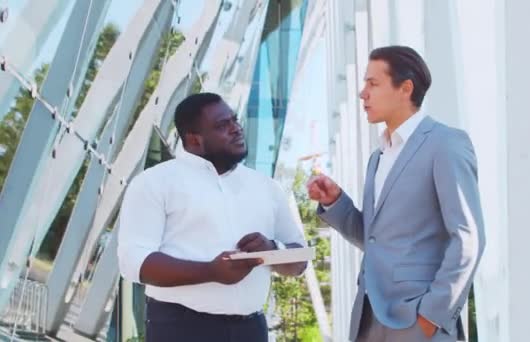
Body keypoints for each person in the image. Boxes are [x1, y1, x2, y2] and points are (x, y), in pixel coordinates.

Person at [307, 46, 485, 342]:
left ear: (405, 88)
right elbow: (377, 241)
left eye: (373, 84)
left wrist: (432, 317)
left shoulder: (446, 144)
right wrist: (336, 203)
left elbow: (469, 239)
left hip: (418, 320)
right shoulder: (378, 156)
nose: (363, 93)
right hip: (369, 318)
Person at [117, 92, 307, 342]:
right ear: (194, 140)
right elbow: (134, 262)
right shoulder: (154, 183)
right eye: (222, 125)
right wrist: (210, 272)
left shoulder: (267, 188)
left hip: (251, 331)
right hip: (180, 330)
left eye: (234, 120)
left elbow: (300, 259)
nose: (236, 129)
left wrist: (271, 250)